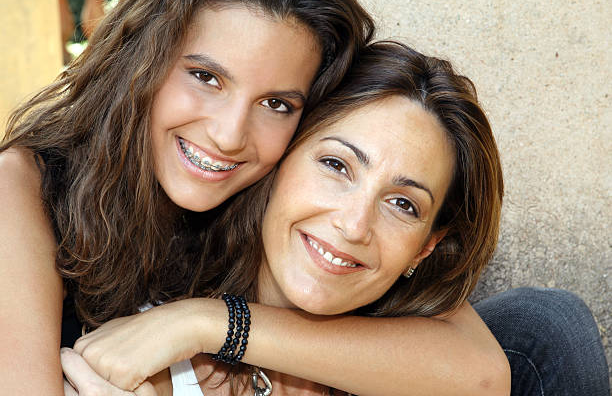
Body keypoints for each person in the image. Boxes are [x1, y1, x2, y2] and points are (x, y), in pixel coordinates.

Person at [65, 42, 610, 396]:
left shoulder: (420, 362)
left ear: (425, 247)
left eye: (403, 204)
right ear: (278, 162)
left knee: (546, 322)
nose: (354, 224)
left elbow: (489, 375)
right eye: (335, 165)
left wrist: (211, 322)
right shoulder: (139, 347)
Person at [0, 0, 374, 394]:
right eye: (206, 77)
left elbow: (453, 360)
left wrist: (207, 323)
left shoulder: (281, 223)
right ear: (140, 59)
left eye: (276, 104)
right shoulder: (21, 188)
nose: (229, 136)